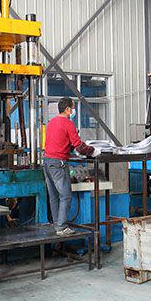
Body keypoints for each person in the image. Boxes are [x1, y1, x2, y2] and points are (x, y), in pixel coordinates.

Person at [43, 97, 95, 235]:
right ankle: (61, 227)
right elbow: (79, 146)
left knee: (54, 196)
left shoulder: (51, 122)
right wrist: (93, 151)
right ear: (67, 109)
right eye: (72, 108)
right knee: (66, 196)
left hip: (47, 162)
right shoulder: (68, 123)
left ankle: (57, 225)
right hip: (58, 163)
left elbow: (59, 141)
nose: (73, 111)